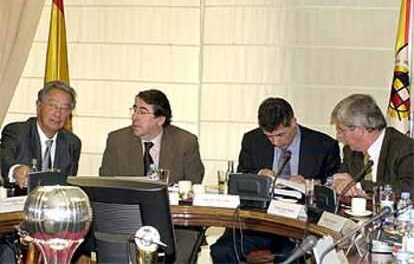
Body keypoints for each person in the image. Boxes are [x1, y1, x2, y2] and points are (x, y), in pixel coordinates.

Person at [210, 97, 340, 263]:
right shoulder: (252, 140)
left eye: (280, 135)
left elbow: (332, 191)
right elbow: (240, 180)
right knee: (221, 251)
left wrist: (310, 186)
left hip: (298, 228)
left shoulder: (323, 145)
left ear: (294, 122)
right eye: (269, 136)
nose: (276, 142)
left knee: (291, 258)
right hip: (257, 224)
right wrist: (259, 175)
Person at [99, 89, 205, 263]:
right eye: (134, 110)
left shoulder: (185, 142)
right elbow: (106, 184)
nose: (135, 116)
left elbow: (193, 185)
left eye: (142, 112)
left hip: (173, 223)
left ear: (160, 120)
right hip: (128, 222)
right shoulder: (117, 140)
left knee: (186, 243)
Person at [0, 80, 81, 264]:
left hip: (54, 229)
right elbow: (3, 160)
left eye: (65, 108)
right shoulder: (17, 131)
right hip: (15, 228)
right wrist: (16, 170)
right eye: (53, 105)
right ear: (39, 106)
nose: (58, 113)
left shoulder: (72, 143)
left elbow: (69, 185)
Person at [331, 93, 414, 197]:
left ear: (360, 130)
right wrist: (339, 182)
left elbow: (409, 187)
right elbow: (342, 177)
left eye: (341, 130)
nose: (339, 136)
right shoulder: (350, 150)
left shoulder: (405, 148)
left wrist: (360, 186)